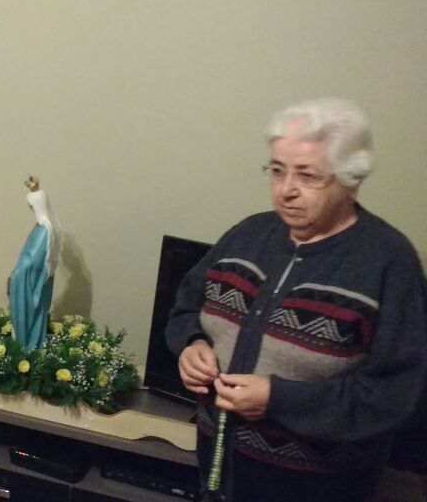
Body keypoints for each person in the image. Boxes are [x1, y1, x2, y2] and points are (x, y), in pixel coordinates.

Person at [165, 98, 427, 502]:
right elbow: (185, 306)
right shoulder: (247, 235)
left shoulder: (389, 263)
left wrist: (279, 401)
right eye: (277, 170)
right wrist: (191, 344)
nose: (286, 190)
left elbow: (396, 397)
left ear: (350, 179)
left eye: (307, 175)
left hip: (317, 489)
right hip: (219, 476)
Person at [9, 176, 62, 350]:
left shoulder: (44, 231)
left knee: (31, 314)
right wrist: (35, 189)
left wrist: (16, 274)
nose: (30, 209)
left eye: (31, 206)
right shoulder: (45, 228)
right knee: (38, 313)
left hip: (33, 283)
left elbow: (32, 261)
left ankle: (27, 347)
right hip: (39, 280)